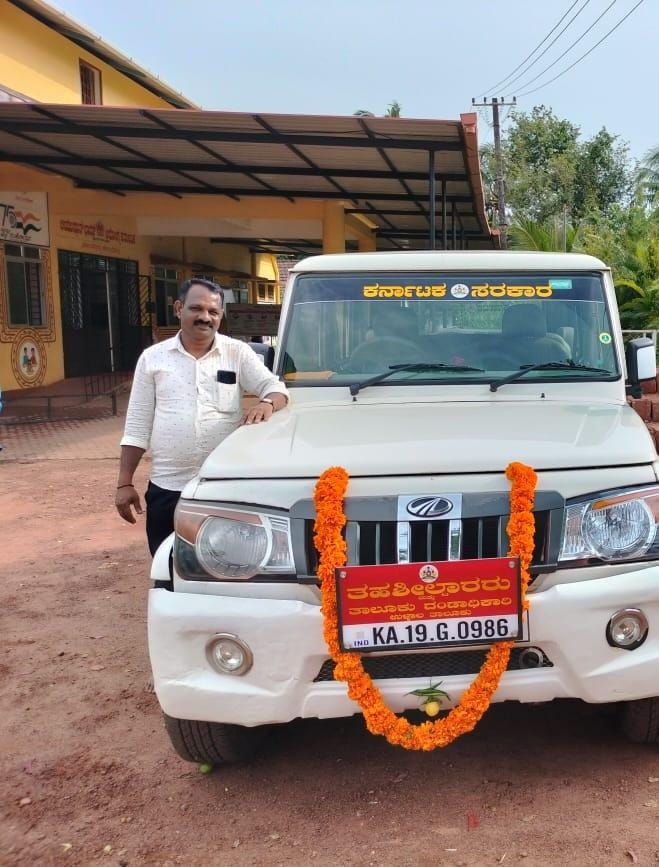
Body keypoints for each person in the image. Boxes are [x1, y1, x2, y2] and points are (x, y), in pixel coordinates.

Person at [115, 278, 289, 555]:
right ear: (178, 308)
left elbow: (276, 388)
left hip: (224, 487)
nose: (205, 317)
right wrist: (125, 483)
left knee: (230, 562)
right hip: (168, 487)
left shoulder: (237, 353)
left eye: (213, 311)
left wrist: (267, 403)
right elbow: (137, 425)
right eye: (197, 309)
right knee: (167, 563)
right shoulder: (153, 359)